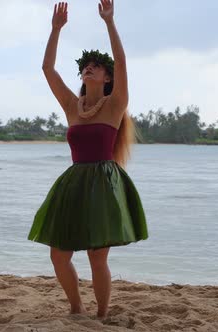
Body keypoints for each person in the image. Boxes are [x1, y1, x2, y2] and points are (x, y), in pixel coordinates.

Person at [27, 0, 148, 319]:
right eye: (86, 65)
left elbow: (122, 63)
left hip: (104, 185)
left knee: (97, 258)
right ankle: (76, 307)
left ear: (107, 77)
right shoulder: (72, 106)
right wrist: (55, 30)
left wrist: (109, 22)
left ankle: (102, 315)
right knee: (58, 255)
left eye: (96, 65)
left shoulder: (114, 105)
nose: (89, 68)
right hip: (74, 183)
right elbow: (47, 70)